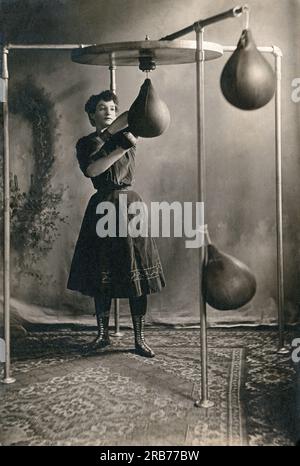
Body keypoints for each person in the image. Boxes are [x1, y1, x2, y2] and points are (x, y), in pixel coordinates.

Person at [67, 90, 165, 357]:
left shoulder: (127, 134)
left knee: (136, 273)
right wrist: (121, 145)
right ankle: (102, 335)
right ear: (91, 116)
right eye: (101, 108)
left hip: (129, 206)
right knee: (102, 272)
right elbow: (93, 170)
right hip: (102, 208)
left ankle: (139, 338)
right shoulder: (87, 143)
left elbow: (132, 116)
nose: (108, 111)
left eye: (112, 107)